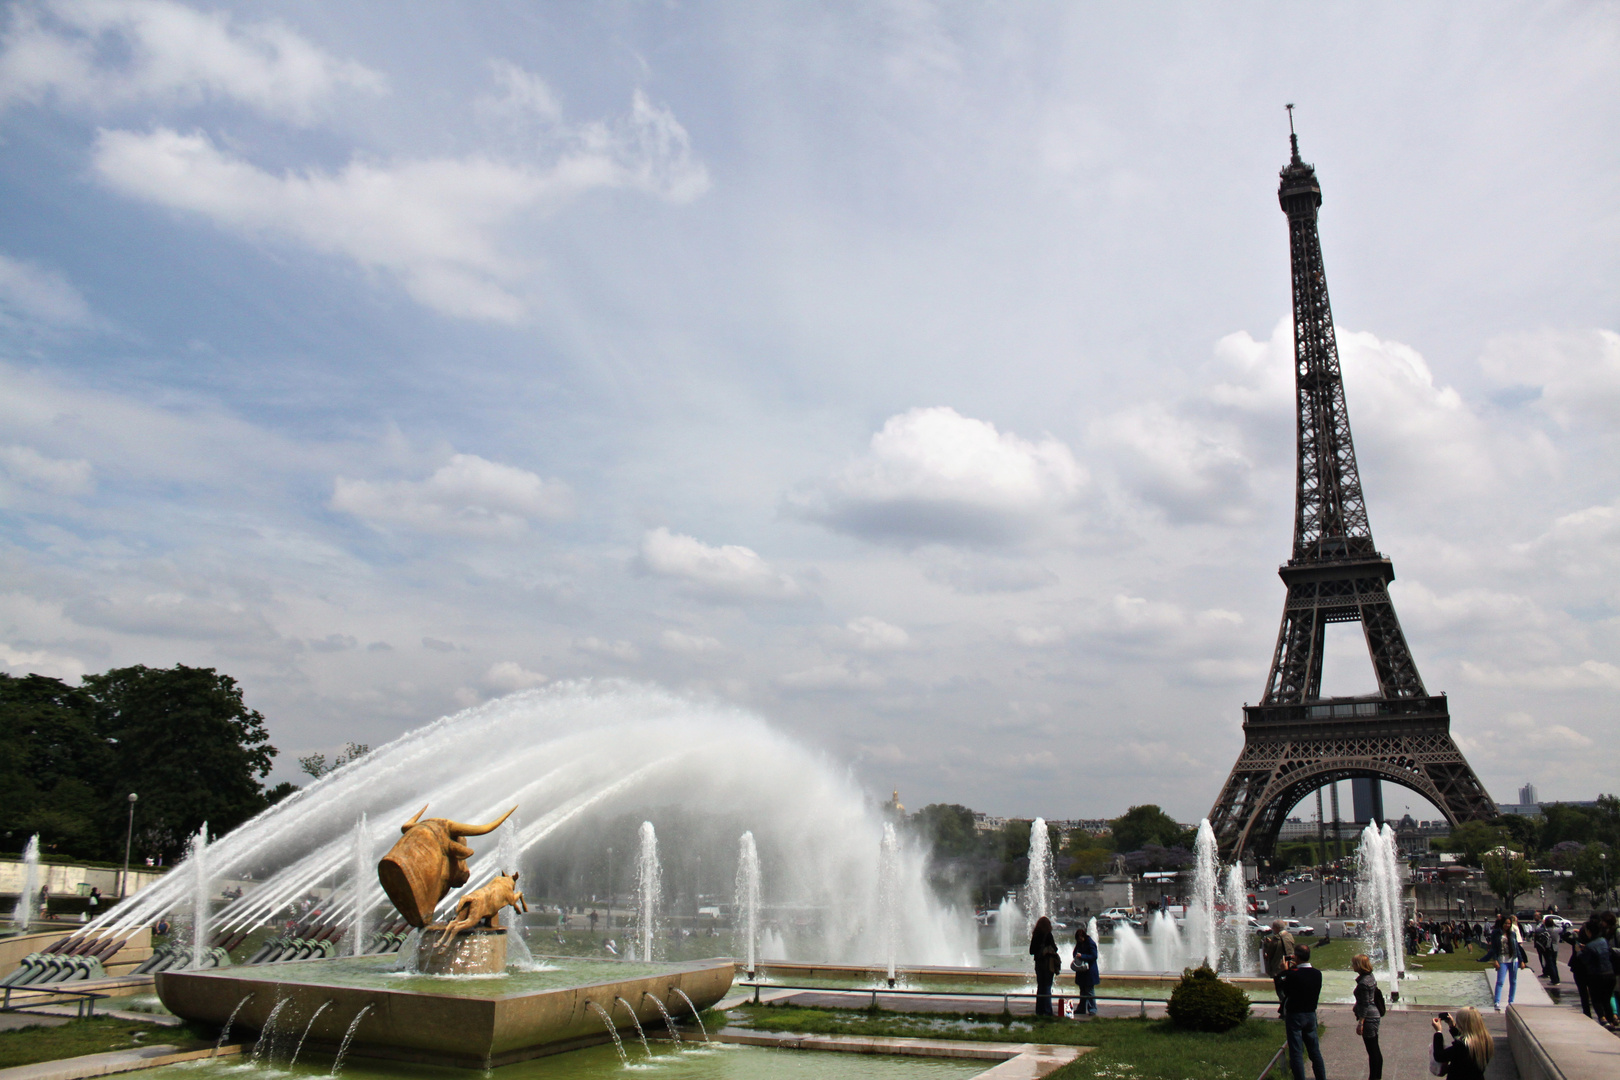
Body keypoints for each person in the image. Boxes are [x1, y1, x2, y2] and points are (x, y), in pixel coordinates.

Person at [1273, 944, 1326, 1080]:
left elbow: (1282, 990)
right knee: (1314, 1052)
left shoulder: (1292, 975)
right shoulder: (1317, 974)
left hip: (1295, 1015)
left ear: (1296, 957)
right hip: (1310, 1014)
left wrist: (1283, 972)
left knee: (1296, 1052)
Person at [1431, 1007, 1493, 1080]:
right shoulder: (1486, 1040)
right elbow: (1466, 1039)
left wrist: (1438, 1032)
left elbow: (1439, 1056)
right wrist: (1452, 1026)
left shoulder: (1462, 1046)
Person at [1351, 953, 1383, 1080]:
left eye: (1354, 963)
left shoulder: (1363, 983)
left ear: (1359, 965)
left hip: (1369, 1017)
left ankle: (1374, 1077)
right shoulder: (1370, 977)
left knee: (1372, 1049)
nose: (1352, 965)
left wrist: (1361, 1022)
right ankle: (1375, 1076)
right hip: (1374, 1014)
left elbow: (1364, 1004)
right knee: (1374, 1048)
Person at [1584, 915, 1616, 1029]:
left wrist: (1579, 952)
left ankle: (1603, 1019)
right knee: (1607, 999)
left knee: (1596, 998)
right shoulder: (1604, 941)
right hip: (1610, 974)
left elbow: (1586, 962)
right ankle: (1611, 1020)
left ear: (1589, 931)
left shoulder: (1589, 946)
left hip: (1596, 976)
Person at [1029, 915, 1060, 1017]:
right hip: (1047, 964)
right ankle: (1047, 1011)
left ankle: (1039, 1010)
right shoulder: (1048, 935)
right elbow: (1055, 949)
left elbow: (1031, 951)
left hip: (1038, 964)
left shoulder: (1036, 935)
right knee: (1047, 986)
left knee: (1040, 986)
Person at [1070, 925, 1099, 1016]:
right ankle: (1081, 1009)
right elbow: (1074, 952)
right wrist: (1076, 955)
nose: (1078, 941)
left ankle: (1092, 1009)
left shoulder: (1090, 943)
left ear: (1083, 937)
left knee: (1089, 991)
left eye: (1079, 939)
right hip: (1082, 971)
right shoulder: (1079, 943)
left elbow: (1094, 956)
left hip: (1089, 972)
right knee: (1082, 991)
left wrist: (1082, 956)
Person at [1536, 915, 1562, 985]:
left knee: (1550, 964)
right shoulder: (1556, 930)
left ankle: (1554, 980)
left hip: (1547, 948)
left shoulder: (1545, 930)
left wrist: (1542, 924)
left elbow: (1537, 930)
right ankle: (1557, 979)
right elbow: (1561, 928)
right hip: (1555, 947)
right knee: (1554, 963)